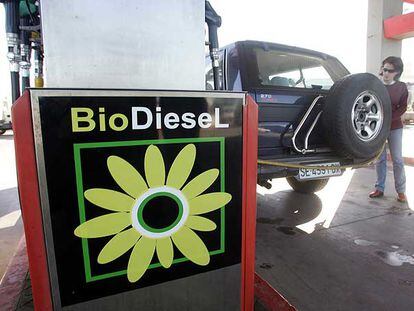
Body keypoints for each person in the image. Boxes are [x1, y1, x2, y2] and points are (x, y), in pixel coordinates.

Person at [369, 56, 408, 202]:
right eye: (384, 69)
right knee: (380, 159)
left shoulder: (401, 87)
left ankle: (401, 191)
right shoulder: (376, 86)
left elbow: (403, 107)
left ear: (397, 72)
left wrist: (389, 119)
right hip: (378, 128)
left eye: (390, 71)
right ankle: (379, 188)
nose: (386, 73)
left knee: (397, 159)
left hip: (395, 127)